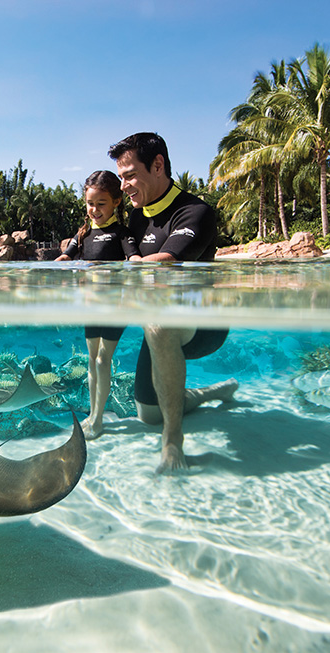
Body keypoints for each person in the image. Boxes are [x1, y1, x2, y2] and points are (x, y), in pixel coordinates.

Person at [107, 132, 237, 474]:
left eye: (130, 175)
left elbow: (167, 260)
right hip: (159, 326)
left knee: (158, 323)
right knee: (148, 414)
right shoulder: (137, 216)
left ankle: (173, 441)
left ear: (158, 165)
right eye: (121, 178)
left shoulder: (195, 211)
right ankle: (211, 393)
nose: (124, 186)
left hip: (203, 325)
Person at [57, 170, 139, 439]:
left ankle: (98, 419)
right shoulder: (82, 235)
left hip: (117, 304)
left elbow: (134, 258)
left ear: (116, 201)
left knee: (104, 359)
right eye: (90, 204)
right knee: (92, 360)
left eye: (101, 204)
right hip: (91, 304)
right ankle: (93, 414)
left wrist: (138, 265)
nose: (94, 210)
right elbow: (65, 258)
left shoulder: (121, 233)